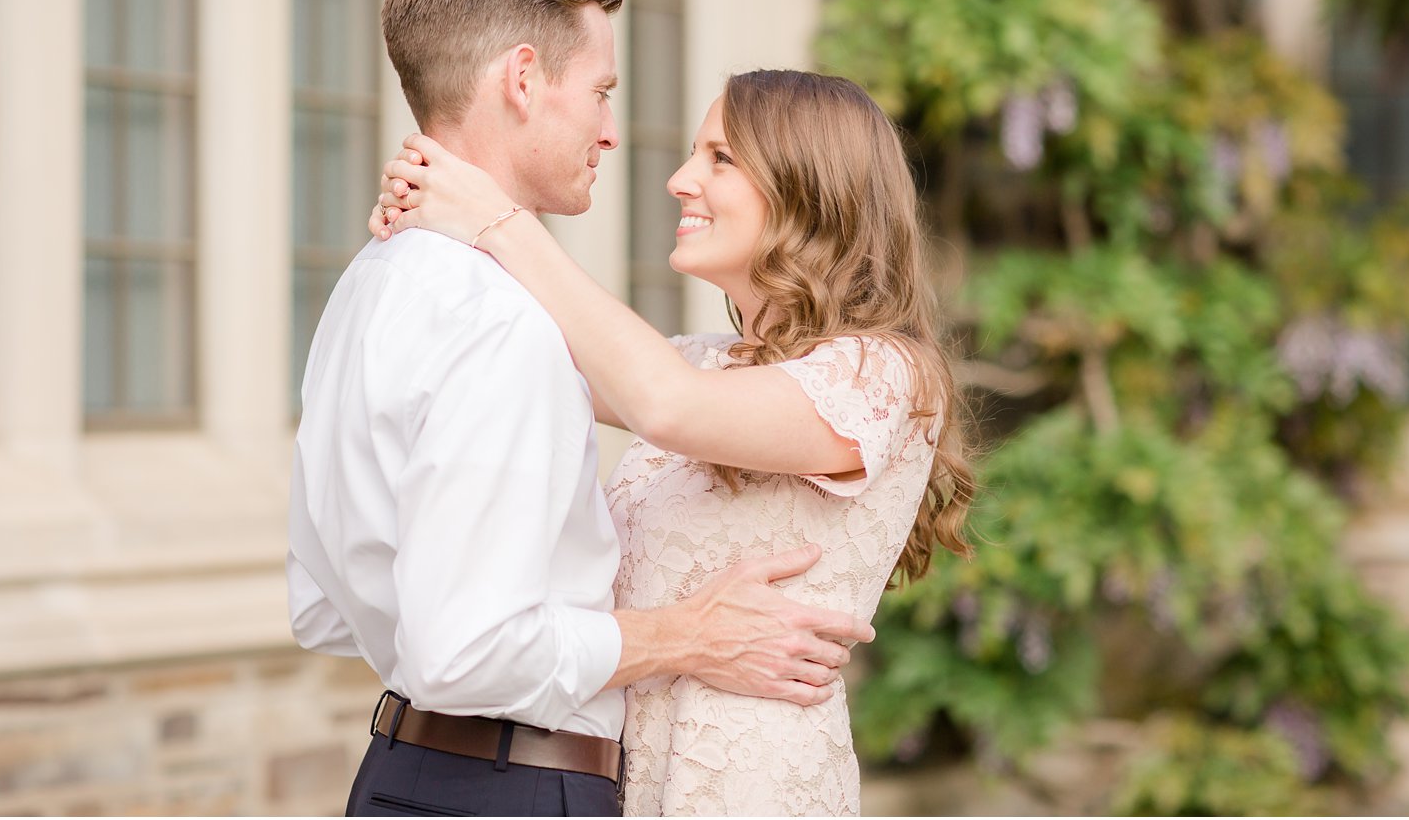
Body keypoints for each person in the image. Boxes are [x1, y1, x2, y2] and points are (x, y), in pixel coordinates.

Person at [288, 0, 875, 819]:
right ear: (524, 80)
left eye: (718, 160)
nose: (612, 130)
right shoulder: (500, 324)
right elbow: (465, 649)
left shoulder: (368, 285)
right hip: (516, 791)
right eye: (602, 91)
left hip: (404, 774)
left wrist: (481, 218)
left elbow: (322, 609)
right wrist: (688, 635)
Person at [368, 68, 979, 816]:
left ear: (810, 187)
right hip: (621, 780)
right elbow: (518, 359)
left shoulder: (883, 375)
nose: (681, 179)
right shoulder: (704, 359)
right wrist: (438, 234)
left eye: (720, 158)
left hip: (747, 787)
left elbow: (664, 403)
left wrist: (497, 220)